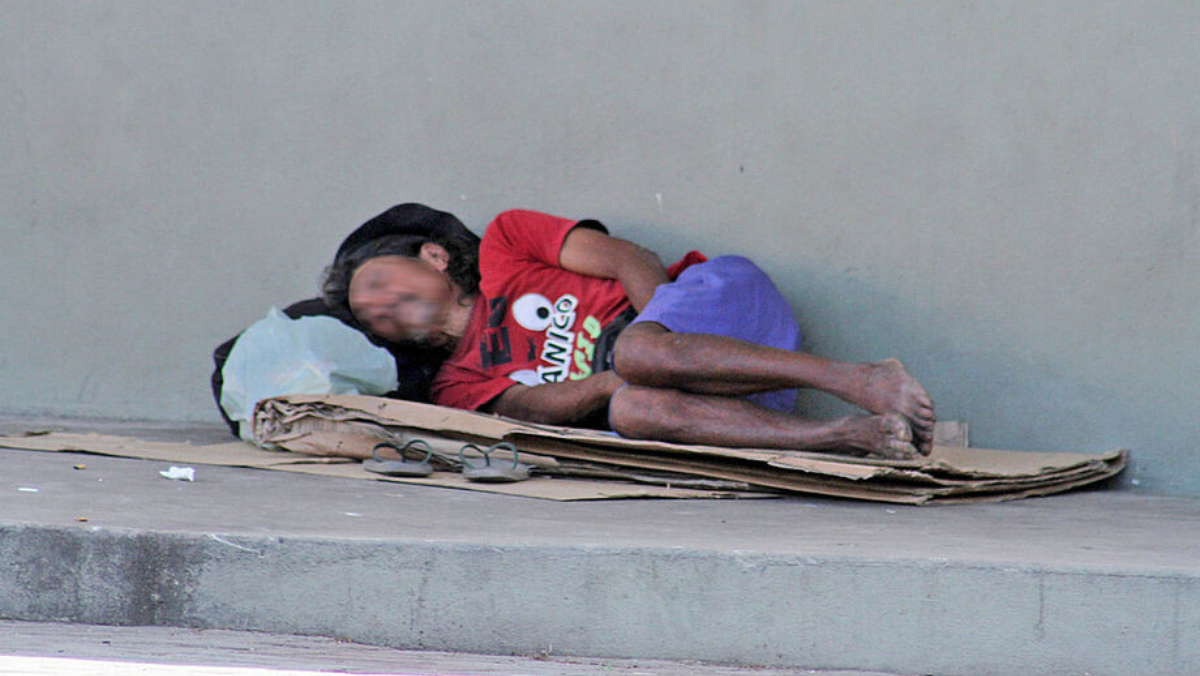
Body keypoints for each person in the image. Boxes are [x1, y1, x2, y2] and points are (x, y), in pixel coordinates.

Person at [322, 207, 936, 459]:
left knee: (639, 358)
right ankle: (844, 436)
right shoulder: (454, 385)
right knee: (634, 411)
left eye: (377, 281)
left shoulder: (506, 242)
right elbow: (536, 407)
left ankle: (860, 378)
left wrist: (657, 344)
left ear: (432, 256)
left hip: (727, 313)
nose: (378, 307)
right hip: (718, 404)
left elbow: (630, 261)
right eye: (368, 313)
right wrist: (637, 374)